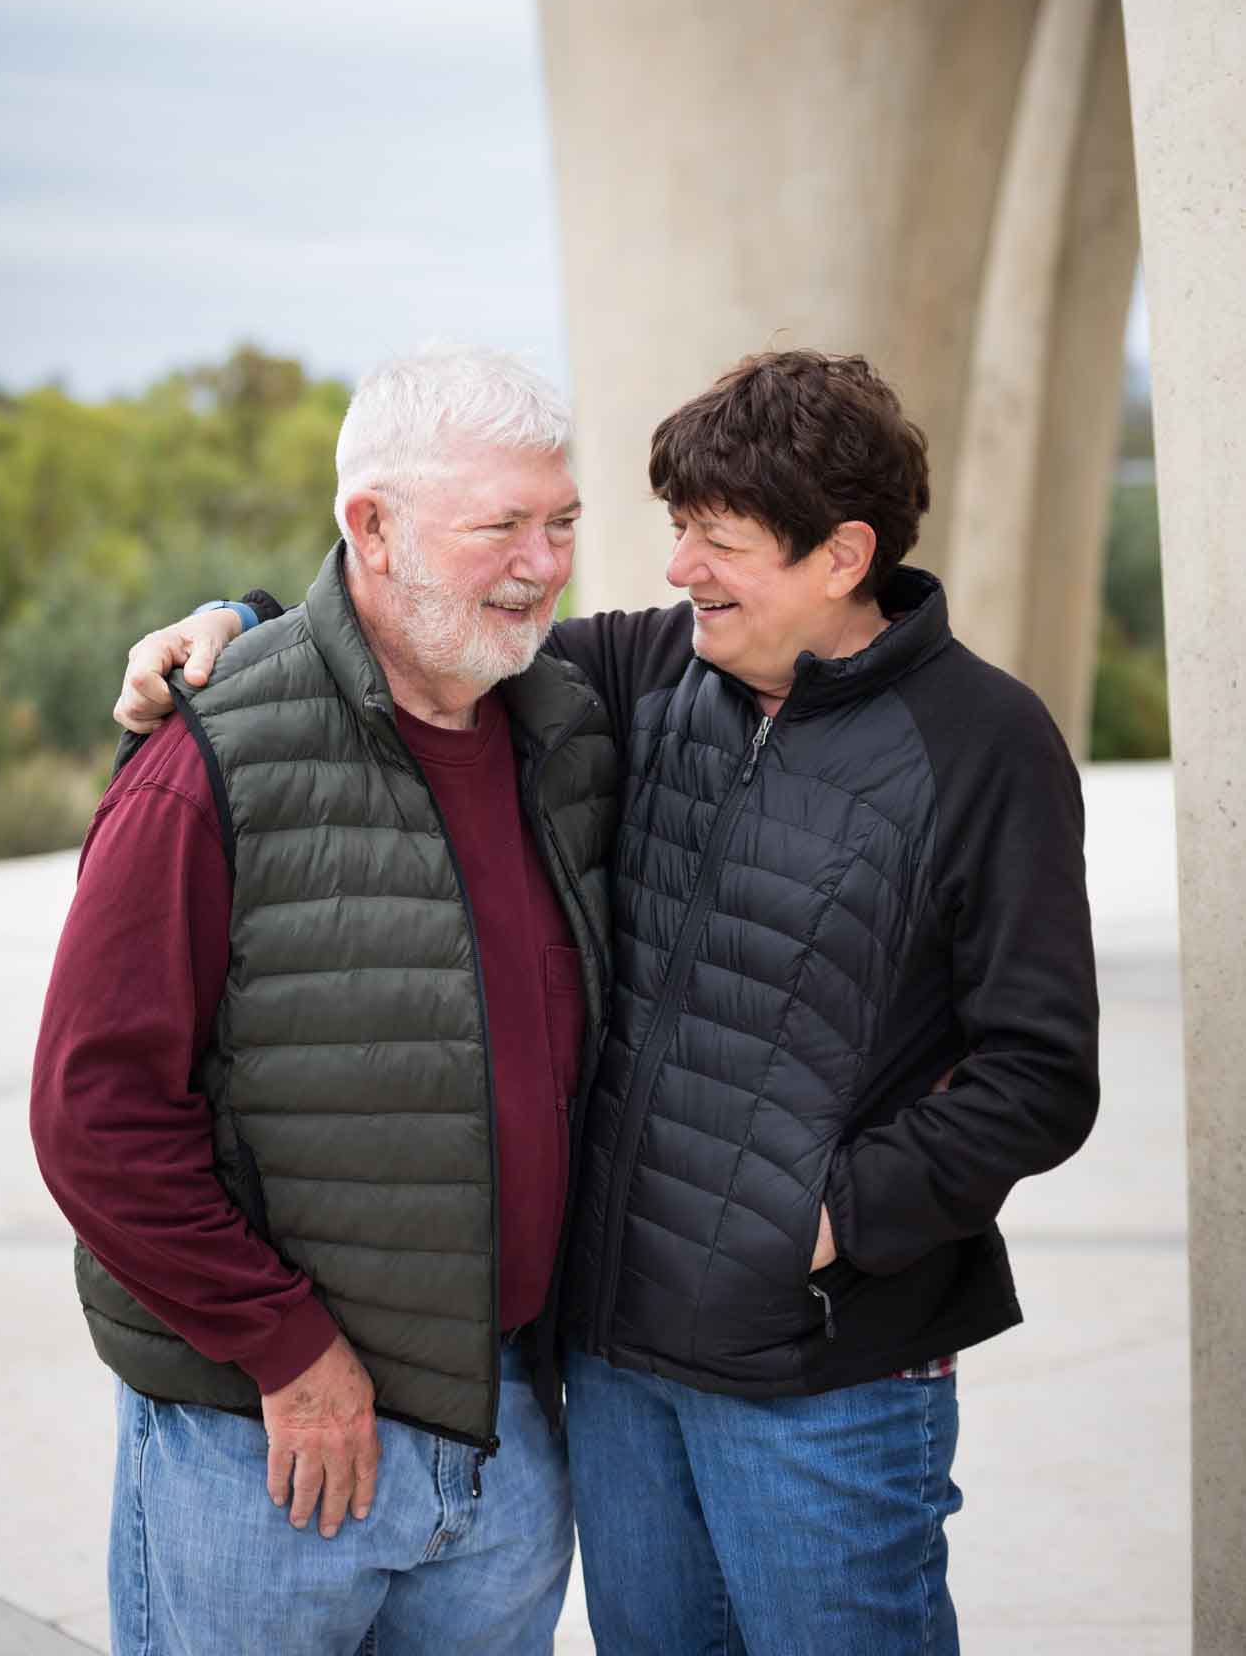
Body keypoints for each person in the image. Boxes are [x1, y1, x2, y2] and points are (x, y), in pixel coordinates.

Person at [114, 348, 1100, 1656]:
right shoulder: (642, 678)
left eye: (719, 541)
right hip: (620, 1370)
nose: (679, 568)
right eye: (676, 531)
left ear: (842, 556)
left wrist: (823, 1223)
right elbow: (413, 641)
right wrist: (233, 623)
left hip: (821, 1378)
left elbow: (1037, 1071)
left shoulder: (981, 744)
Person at [31, 347, 620, 1656]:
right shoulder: (212, 760)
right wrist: (288, 1352)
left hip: (507, 1431)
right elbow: (96, 1119)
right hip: (266, 1450)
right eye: (500, 528)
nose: (543, 562)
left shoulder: (568, 725)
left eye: (563, 521)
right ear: (371, 526)